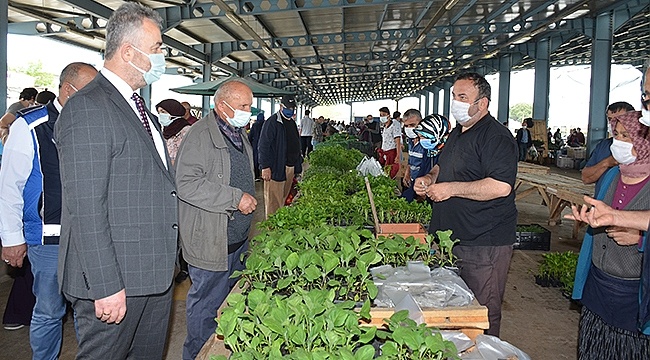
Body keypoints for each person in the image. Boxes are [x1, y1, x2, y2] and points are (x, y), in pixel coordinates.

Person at [55, 3, 178, 358]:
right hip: (116, 282)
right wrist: (106, 285)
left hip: (151, 273)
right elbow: (86, 207)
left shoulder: (139, 110)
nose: (161, 56)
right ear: (128, 51)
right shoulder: (89, 108)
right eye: (156, 49)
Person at [0, 62, 97, 358]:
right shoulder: (30, 125)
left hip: (88, 239)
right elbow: (9, 185)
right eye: (90, 93)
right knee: (48, 311)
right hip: (48, 240)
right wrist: (11, 238)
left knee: (89, 313)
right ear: (68, 90)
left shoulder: (91, 123)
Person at [414, 72, 518, 337]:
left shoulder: (496, 137)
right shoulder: (457, 133)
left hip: (483, 242)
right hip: (452, 238)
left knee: (481, 311)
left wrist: (450, 189)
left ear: (481, 104)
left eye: (463, 97)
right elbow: (443, 166)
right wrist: (429, 178)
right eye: (454, 96)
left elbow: (500, 186)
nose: (456, 103)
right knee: (454, 308)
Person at [175, 79, 257, 360]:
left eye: (249, 104)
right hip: (211, 240)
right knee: (206, 308)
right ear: (222, 106)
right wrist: (235, 198)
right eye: (243, 106)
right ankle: (196, 355)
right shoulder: (199, 136)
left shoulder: (237, 132)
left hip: (236, 240)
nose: (249, 111)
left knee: (228, 305)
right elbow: (185, 184)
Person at [569, 110, 650, 359]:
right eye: (616, 135)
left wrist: (640, 238)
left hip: (632, 293)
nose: (619, 142)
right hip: (599, 285)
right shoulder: (612, 175)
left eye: (627, 136)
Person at [258, 94, 302, 218]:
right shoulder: (272, 122)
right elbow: (263, 146)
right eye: (288, 107)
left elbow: (296, 144)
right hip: (276, 168)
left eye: (292, 108)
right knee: (274, 201)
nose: (290, 111)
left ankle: (281, 225)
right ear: (281, 106)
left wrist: (297, 166)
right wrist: (265, 166)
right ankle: (272, 231)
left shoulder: (292, 123)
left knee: (284, 198)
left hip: (290, 167)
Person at [582, 102, 634, 194]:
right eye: (610, 119)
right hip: (601, 204)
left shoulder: (642, 148)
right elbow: (586, 178)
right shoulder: (604, 145)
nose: (613, 123)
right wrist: (607, 162)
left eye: (618, 119)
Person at [401, 109, 450, 202]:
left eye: (424, 137)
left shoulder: (448, 154)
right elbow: (424, 171)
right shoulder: (430, 152)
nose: (422, 140)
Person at [157, 98, 190, 165]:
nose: (161, 115)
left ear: (173, 112)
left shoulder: (186, 131)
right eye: (159, 112)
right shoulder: (165, 131)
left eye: (163, 112)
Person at [377, 106, 401, 178]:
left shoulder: (395, 124)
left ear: (389, 115)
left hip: (391, 153)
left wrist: (398, 155)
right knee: (385, 172)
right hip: (385, 153)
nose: (382, 117)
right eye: (381, 115)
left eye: (384, 115)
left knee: (390, 172)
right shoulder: (385, 126)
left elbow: (398, 140)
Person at [248, 112, 265, 180]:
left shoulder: (255, 125)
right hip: (263, 144)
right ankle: (263, 174)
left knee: (255, 159)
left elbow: (250, 135)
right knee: (262, 159)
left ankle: (256, 175)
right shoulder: (265, 124)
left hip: (255, 144)